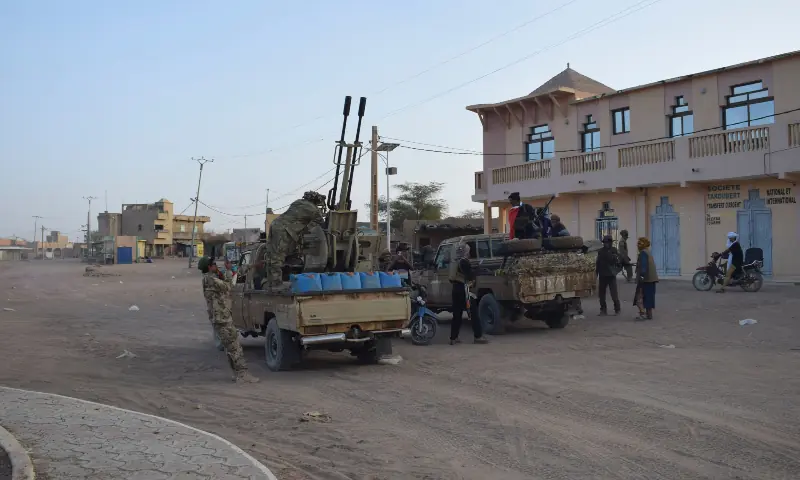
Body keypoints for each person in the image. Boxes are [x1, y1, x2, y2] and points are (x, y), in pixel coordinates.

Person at [199, 257, 258, 383]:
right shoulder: (210, 279)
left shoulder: (209, 278)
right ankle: (242, 374)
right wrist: (229, 271)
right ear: (209, 267)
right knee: (235, 347)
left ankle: (237, 374)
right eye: (214, 264)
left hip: (220, 317)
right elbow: (229, 286)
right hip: (222, 319)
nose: (216, 266)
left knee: (230, 347)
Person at [263, 191, 326, 289]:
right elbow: (321, 222)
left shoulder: (297, 202)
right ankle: (276, 284)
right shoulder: (313, 209)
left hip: (275, 225)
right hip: (283, 230)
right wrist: (307, 228)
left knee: (272, 254)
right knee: (278, 257)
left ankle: (271, 282)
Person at [448, 244, 489, 345]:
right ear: (466, 252)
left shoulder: (457, 261)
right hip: (463, 289)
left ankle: (453, 338)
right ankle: (478, 336)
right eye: (468, 251)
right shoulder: (464, 262)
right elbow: (469, 275)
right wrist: (478, 270)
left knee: (457, 314)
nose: (470, 253)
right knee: (473, 312)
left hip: (456, 289)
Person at [595, 235, 621, 315]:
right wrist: (596, 274)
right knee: (601, 294)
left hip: (611, 275)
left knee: (614, 294)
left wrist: (610, 254)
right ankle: (603, 309)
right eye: (605, 242)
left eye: (608, 242)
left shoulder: (614, 250)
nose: (606, 244)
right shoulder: (601, 251)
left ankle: (617, 309)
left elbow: (615, 261)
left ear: (610, 243)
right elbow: (598, 263)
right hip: (602, 275)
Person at [634, 237, 659, 320]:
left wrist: (641, 277)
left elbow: (643, 266)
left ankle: (643, 313)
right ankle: (649, 314)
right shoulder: (648, 252)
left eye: (639, 243)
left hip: (646, 279)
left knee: (639, 297)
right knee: (649, 297)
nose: (638, 245)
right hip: (651, 279)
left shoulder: (643, 253)